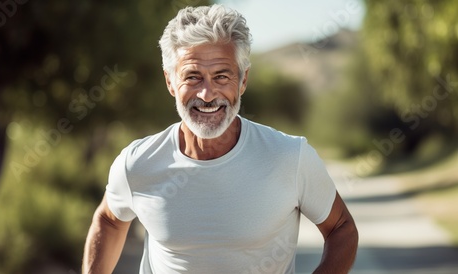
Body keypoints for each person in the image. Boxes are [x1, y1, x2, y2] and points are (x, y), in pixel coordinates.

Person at [82, 4, 358, 274]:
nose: (207, 94)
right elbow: (109, 219)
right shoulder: (138, 162)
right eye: (192, 77)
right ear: (169, 81)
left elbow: (341, 228)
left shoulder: (289, 156)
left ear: (243, 80)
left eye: (221, 76)